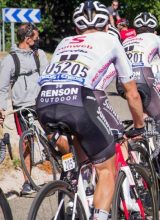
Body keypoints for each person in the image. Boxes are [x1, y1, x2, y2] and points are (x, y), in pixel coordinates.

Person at [36, 1, 145, 219]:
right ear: (107, 25)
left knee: (80, 150)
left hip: (43, 101)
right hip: (79, 99)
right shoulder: (112, 40)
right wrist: (140, 125)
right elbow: (131, 92)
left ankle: (75, 183)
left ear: (76, 29)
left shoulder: (64, 42)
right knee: (106, 170)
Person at [122, 12, 160, 192]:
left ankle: (137, 170)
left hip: (124, 83)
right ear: (154, 28)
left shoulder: (126, 41)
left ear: (136, 29)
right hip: (144, 79)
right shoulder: (156, 40)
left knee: (139, 122)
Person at [0, 23, 49, 195]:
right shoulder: (10, 60)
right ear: (27, 39)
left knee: (54, 134)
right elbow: (3, 88)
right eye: (35, 38)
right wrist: (1, 108)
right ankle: (27, 182)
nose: (38, 40)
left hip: (41, 102)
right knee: (26, 143)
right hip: (21, 106)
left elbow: (46, 77)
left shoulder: (40, 54)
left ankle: (62, 167)